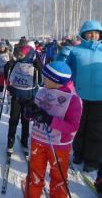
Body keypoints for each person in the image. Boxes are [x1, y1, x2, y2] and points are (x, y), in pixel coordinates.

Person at [24, 61, 82, 198]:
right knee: (34, 174)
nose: (43, 80)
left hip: (59, 146)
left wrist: (50, 120)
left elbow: (72, 127)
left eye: (46, 78)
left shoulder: (73, 99)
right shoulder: (43, 90)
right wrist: (29, 113)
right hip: (38, 140)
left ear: (56, 81)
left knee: (58, 178)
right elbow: (35, 115)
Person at [57, 20, 102, 172]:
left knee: (96, 129)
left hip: (99, 98)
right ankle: (78, 153)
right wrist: (62, 55)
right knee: (79, 127)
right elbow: (61, 68)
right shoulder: (75, 51)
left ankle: (92, 160)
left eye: (96, 32)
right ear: (83, 34)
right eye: (90, 32)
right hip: (79, 97)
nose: (93, 35)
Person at [5, 45, 42, 155]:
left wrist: (39, 68)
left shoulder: (34, 65)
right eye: (19, 54)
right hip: (16, 98)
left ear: (29, 54)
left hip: (28, 99)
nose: (20, 56)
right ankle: (10, 142)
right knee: (13, 120)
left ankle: (24, 141)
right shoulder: (16, 64)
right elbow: (9, 78)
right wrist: (9, 65)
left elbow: (39, 82)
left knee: (25, 121)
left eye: (22, 54)